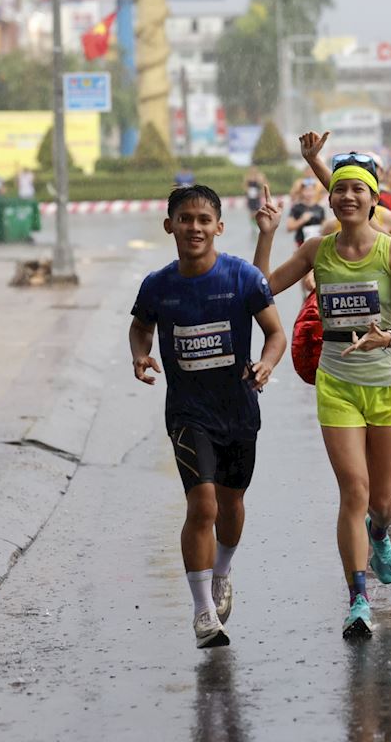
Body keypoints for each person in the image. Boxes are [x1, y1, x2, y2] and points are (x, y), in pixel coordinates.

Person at [254, 141, 391, 639]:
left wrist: (387, 336)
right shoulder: (316, 251)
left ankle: (379, 532)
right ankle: (358, 598)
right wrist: (266, 235)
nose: (348, 196)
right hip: (338, 382)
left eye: (358, 189)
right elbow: (262, 285)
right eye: (340, 189)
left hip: (388, 382)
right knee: (354, 489)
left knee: (383, 501)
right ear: (331, 199)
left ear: (373, 200)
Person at [129, 184, 287, 649]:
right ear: (169, 226)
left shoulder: (241, 277)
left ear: (219, 227)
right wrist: (140, 356)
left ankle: (221, 571)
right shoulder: (158, 285)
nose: (194, 227)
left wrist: (267, 362)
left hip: (238, 411)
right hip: (187, 413)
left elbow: (275, 333)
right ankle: (202, 613)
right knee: (202, 505)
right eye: (185, 219)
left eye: (203, 220)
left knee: (231, 506)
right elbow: (140, 327)